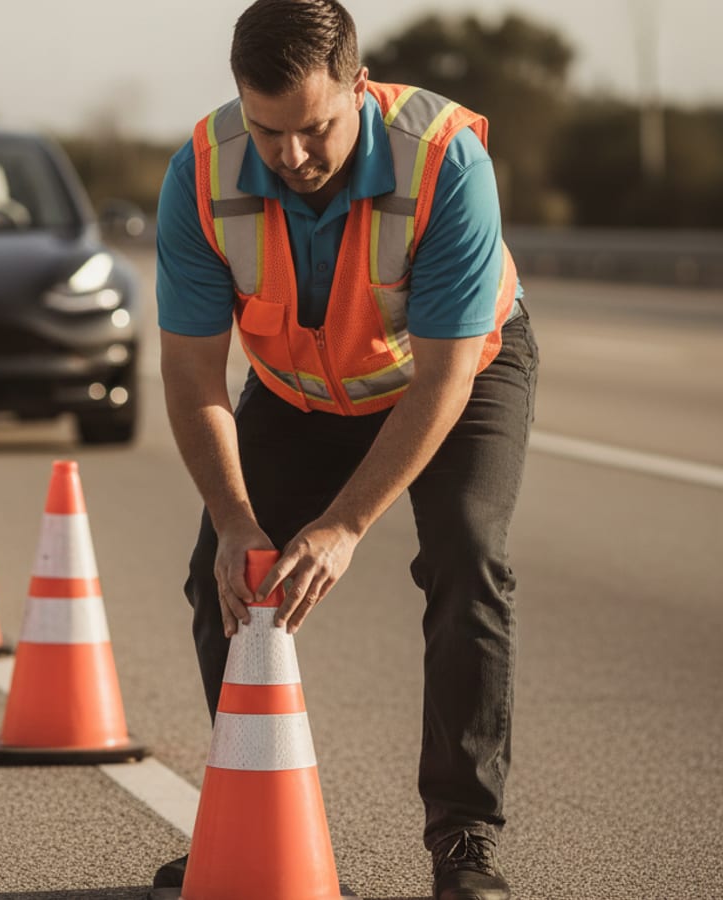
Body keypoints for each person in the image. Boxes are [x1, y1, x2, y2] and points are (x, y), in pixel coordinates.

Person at [153, 1, 537, 898]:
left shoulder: (444, 161)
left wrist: (346, 524)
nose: (289, 156)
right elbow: (191, 374)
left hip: (457, 375)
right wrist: (237, 518)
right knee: (227, 571)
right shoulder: (201, 175)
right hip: (299, 388)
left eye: (314, 128)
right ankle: (254, 817)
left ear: (361, 90)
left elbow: (442, 379)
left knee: (467, 555)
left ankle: (465, 843)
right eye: (266, 128)